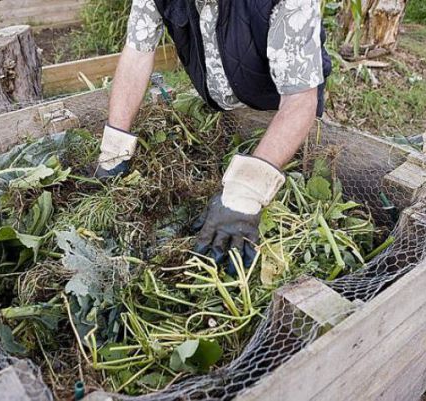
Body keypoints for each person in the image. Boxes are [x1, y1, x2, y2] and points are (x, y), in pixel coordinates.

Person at [94, 0, 331, 272]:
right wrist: (115, 146)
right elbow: (137, 52)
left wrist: (247, 191)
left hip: (280, 116)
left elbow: (300, 100)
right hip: (226, 114)